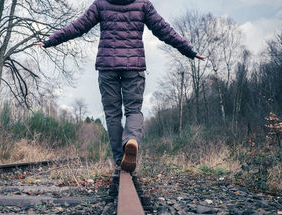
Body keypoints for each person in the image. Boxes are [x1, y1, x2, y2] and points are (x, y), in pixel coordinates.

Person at [35, 0, 205, 173]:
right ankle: (131, 140)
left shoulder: (101, 3)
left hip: (107, 67)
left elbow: (78, 26)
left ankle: (119, 159)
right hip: (134, 66)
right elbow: (164, 30)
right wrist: (188, 50)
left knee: (112, 114)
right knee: (133, 110)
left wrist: (51, 41)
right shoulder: (142, 4)